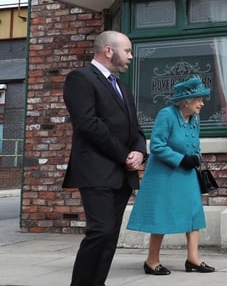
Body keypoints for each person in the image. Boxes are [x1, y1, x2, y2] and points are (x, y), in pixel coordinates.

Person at [62, 30, 148, 286]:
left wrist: (139, 150)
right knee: (99, 232)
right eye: (127, 50)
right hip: (96, 170)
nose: (131, 56)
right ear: (108, 50)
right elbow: (88, 124)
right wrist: (123, 154)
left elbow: (136, 127)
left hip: (122, 174)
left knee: (110, 236)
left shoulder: (120, 85)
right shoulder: (80, 78)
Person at [127, 76, 216, 275]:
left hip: (187, 174)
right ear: (187, 101)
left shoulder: (195, 118)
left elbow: (194, 143)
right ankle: (151, 261)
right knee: (161, 216)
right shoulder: (166, 115)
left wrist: (194, 158)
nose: (202, 103)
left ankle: (193, 259)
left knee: (194, 214)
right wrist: (180, 158)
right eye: (199, 99)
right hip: (165, 175)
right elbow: (157, 146)